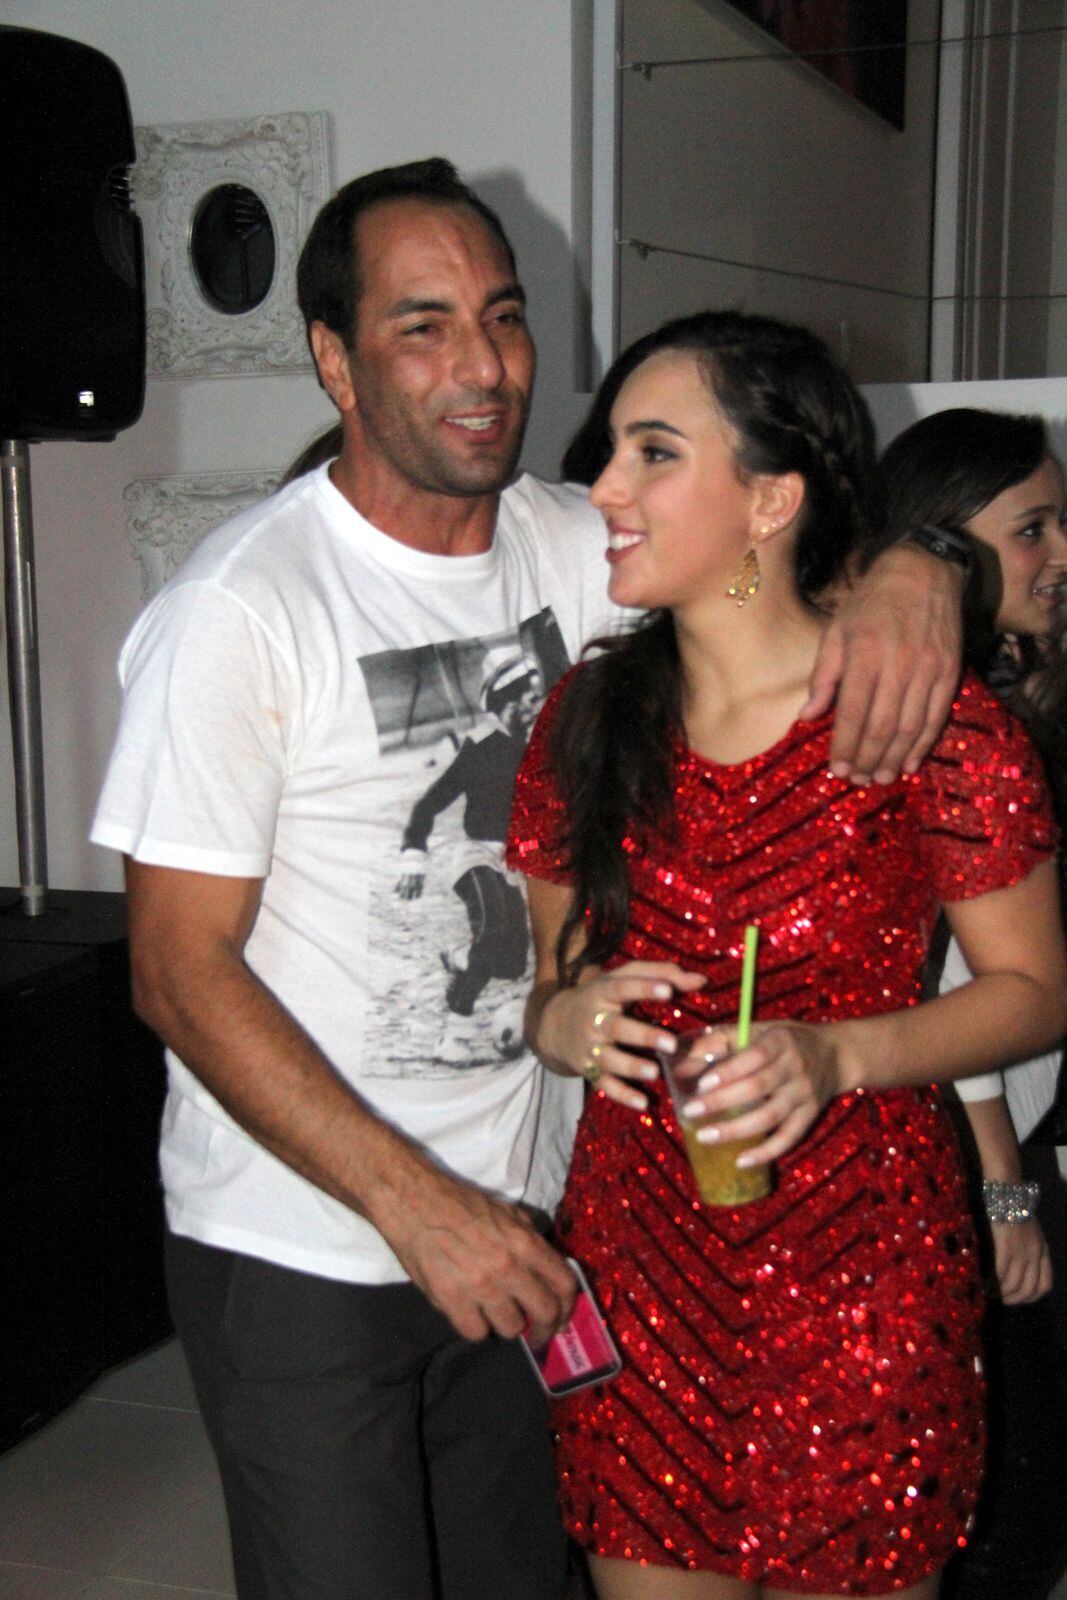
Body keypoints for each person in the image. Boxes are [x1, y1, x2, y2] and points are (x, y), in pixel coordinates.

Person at [90, 154, 967, 1600]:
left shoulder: (578, 544)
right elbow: (177, 973)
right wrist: (416, 1207)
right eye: (421, 326)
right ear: (334, 360)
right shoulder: (239, 610)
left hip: (535, 1222)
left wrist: (912, 566)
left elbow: (765, 542)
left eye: (501, 316)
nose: (483, 364)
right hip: (311, 1242)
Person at [506, 312, 1067, 1600]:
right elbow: (551, 987)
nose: (604, 488)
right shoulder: (587, 715)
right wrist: (564, 1022)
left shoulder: (919, 719)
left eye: (653, 453)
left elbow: (1035, 992)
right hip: (641, 1273)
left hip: (865, 1278)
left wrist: (836, 1053)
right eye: (611, 451)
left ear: (770, 499)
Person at [875, 406, 1067, 1600]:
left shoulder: (1014, 681)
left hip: (1017, 1128)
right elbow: (950, 966)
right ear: (944, 542)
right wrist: (1000, 1188)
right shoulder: (931, 705)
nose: (1060, 554)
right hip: (960, 1144)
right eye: (1031, 528)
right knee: (998, 1493)